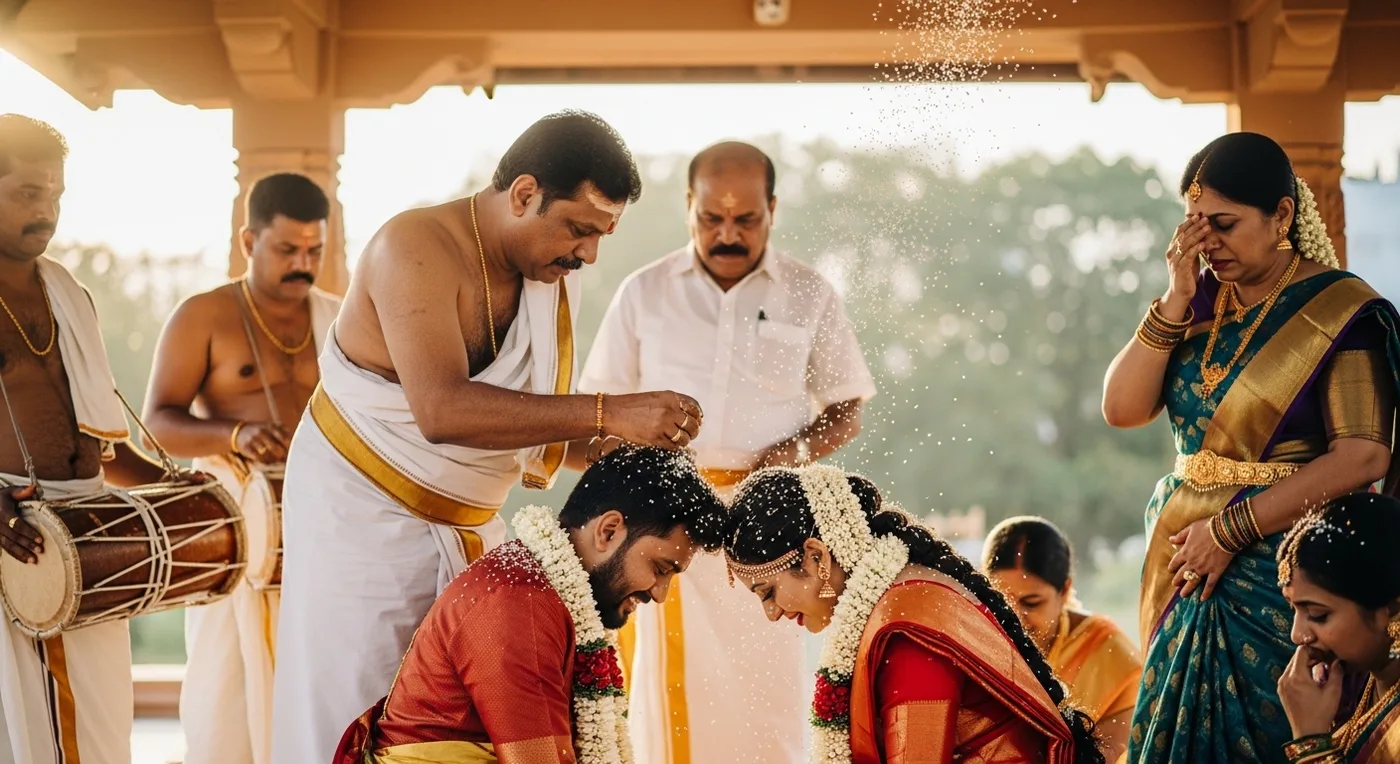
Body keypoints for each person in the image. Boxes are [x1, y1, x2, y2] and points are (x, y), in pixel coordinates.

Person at [270, 109, 707, 763]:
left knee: (454, 718)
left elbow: (536, 436)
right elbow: (442, 412)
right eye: (581, 230)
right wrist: (610, 410)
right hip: (361, 522)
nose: (587, 254)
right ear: (525, 194)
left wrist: (642, 451)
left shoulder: (551, 279)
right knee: (354, 711)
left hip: (471, 529)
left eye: (601, 236)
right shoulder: (412, 247)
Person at [1100, 131, 1400, 762]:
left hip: (1278, 567)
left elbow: (1364, 456)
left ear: (1282, 215)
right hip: (1183, 552)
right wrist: (1176, 297)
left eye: (1225, 223)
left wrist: (1231, 528)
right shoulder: (1199, 302)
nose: (1206, 241)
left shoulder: (1340, 312)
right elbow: (1122, 409)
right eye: (1194, 224)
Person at [578, 140, 876, 763]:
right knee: (664, 690)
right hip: (666, 528)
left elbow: (848, 406)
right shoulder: (644, 292)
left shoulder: (808, 291)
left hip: (771, 532)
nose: (728, 234)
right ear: (689, 206)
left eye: (746, 220)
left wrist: (790, 453)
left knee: (769, 694)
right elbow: (595, 408)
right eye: (712, 219)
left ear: (773, 209)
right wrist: (638, 446)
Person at [332, 445, 728, 764]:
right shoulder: (519, 603)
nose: (660, 593)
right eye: (660, 568)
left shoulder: (549, 591)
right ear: (608, 531)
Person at [0, 114, 186, 764]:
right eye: (27, 194)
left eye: (54, 194)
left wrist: (170, 482)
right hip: (17, 538)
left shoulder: (68, 293)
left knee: (101, 730)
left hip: (88, 532)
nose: (45, 211)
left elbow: (101, 439)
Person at [142, 172, 342, 764]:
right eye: (287, 250)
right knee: (225, 708)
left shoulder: (341, 318)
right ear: (249, 242)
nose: (302, 264)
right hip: (238, 539)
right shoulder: (203, 315)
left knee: (321, 692)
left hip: (322, 535)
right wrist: (235, 433)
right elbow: (158, 420)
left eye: (315, 251)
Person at [723, 464, 1103, 764]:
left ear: (817, 557)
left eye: (768, 592)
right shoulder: (896, 600)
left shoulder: (906, 631)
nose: (771, 613)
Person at [982, 516, 1141, 761]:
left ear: (1065, 591)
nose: (1014, 619)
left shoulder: (1109, 654)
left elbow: (1105, 754)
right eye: (1001, 602)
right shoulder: (975, 639)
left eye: (1031, 603)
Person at [1276, 493, 1400, 763]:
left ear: (1392, 610)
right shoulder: (1364, 685)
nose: (1297, 635)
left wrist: (1311, 744)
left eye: (1318, 615)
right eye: (1292, 608)